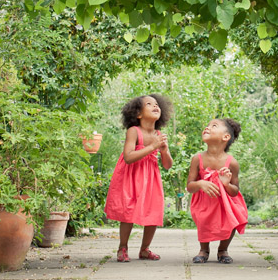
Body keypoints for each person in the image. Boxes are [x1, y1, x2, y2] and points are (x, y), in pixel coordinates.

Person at [104, 94, 173, 262]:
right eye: (149, 104)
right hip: (131, 176)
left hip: (151, 178)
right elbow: (128, 157)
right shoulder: (133, 131)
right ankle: (123, 247)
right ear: (138, 114)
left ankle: (145, 249)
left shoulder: (159, 134)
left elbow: (167, 165)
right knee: (128, 210)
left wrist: (163, 149)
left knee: (153, 211)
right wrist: (153, 146)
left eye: (157, 104)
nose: (156, 106)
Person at [187, 118, 248, 264]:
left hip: (225, 201)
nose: (207, 128)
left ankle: (223, 249)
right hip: (205, 200)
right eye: (207, 125)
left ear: (225, 137)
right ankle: (204, 250)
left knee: (231, 218)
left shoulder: (231, 162)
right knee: (203, 221)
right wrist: (201, 183)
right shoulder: (198, 159)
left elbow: (235, 191)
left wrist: (226, 185)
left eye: (213, 126)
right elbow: (190, 186)